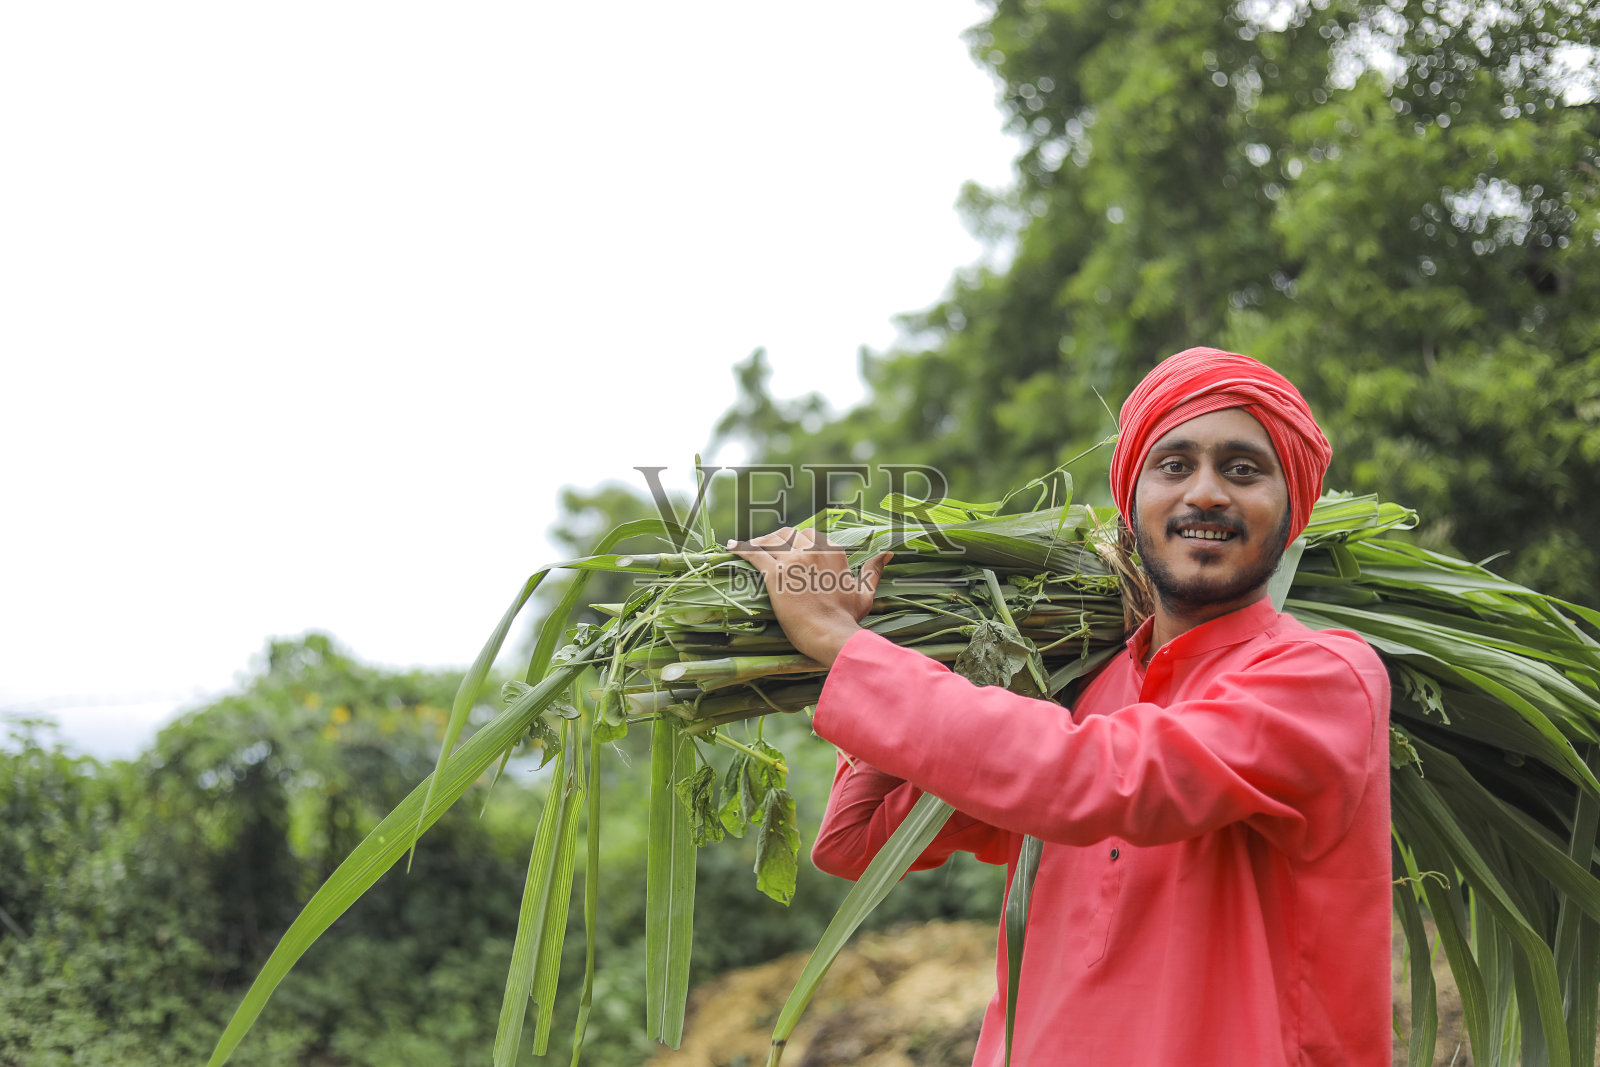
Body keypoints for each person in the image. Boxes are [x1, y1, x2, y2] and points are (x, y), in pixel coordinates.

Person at [729, 347, 1392, 1066]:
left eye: (1242, 469)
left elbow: (1098, 777)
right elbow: (862, 840)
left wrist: (841, 642)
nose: (1206, 492)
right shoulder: (1087, 693)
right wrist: (887, 633)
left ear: (1293, 509)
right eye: (1173, 465)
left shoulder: (1321, 677)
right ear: (1129, 508)